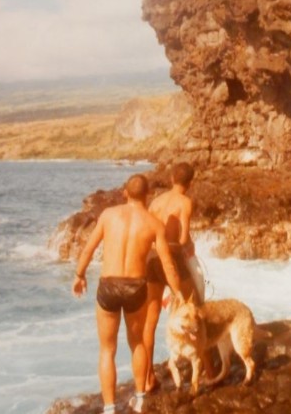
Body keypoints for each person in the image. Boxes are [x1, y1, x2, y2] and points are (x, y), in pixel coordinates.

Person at [71, 174, 181, 414]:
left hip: (108, 286)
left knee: (107, 349)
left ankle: (109, 408)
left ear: (125, 193)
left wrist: (79, 275)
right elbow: (167, 263)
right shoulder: (154, 224)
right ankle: (140, 400)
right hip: (135, 288)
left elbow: (88, 248)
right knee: (138, 343)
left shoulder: (108, 215)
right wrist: (177, 293)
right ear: (148, 195)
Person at [144, 162, 205, 392]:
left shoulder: (156, 201)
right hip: (172, 258)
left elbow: (148, 233)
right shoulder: (185, 202)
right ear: (190, 183)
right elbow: (182, 240)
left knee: (150, 321)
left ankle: (148, 376)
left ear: (171, 179)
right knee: (195, 306)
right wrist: (191, 249)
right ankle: (206, 368)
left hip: (151, 258)